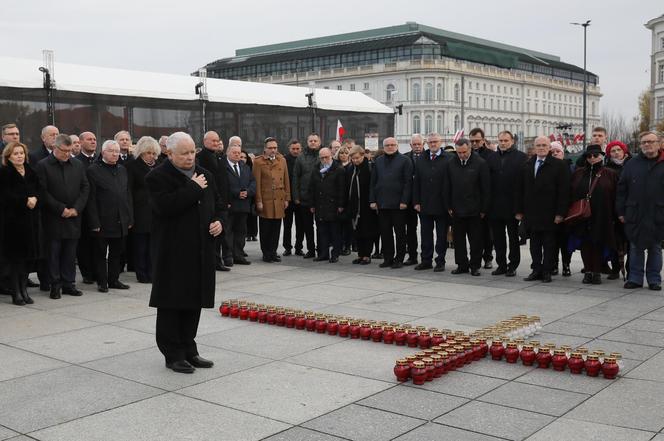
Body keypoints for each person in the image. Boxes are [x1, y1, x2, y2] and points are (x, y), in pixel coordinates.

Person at [145, 132, 223, 374]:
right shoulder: (156, 177)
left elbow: (219, 204)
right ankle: (173, 353)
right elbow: (165, 207)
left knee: (194, 302)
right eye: (184, 153)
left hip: (200, 250)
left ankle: (190, 348)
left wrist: (219, 221)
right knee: (172, 303)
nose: (190, 157)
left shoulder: (205, 175)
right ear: (170, 154)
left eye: (192, 152)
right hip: (173, 252)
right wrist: (192, 188)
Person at [35, 134, 89, 299]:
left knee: (70, 253)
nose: (67, 154)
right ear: (55, 148)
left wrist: (76, 209)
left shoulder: (77, 165)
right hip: (53, 217)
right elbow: (42, 192)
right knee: (53, 253)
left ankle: (68, 284)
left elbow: (85, 187)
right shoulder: (43, 165)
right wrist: (61, 209)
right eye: (64, 151)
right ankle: (55, 285)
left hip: (73, 217)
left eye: (69, 150)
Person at [516, 136, 570, 283]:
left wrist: (560, 213)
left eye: (544, 145)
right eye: (538, 145)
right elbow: (521, 189)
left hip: (550, 212)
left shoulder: (559, 165)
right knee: (534, 244)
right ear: (534, 147)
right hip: (531, 213)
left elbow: (564, 192)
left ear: (549, 148)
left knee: (549, 244)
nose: (541, 148)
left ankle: (547, 271)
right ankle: (536, 269)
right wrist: (520, 210)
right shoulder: (527, 165)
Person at [616, 131, 664, 291]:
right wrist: (621, 211)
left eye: (651, 141)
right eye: (644, 142)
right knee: (635, 246)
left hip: (658, 213)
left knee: (655, 247)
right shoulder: (632, 164)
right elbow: (622, 189)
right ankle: (635, 278)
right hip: (635, 212)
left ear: (659, 143)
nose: (647, 145)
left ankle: (654, 279)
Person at [568, 144, 619, 285]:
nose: (592, 158)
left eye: (595, 155)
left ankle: (597, 272)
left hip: (602, 214)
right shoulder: (578, 173)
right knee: (584, 243)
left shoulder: (610, 173)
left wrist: (616, 215)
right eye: (589, 156)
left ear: (601, 156)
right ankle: (588, 271)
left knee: (598, 242)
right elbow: (571, 193)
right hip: (582, 215)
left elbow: (616, 195)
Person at [86, 140, 133, 293]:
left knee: (116, 253)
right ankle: (102, 281)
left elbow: (127, 195)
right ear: (103, 152)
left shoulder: (122, 170)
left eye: (117, 151)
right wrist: (94, 221)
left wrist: (129, 217)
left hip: (121, 219)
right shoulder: (93, 170)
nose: (115, 154)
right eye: (111, 151)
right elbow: (91, 198)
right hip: (102, 219)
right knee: (100, 253)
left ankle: (113, 279)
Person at [0, 142, 41, 305]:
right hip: (12, 224)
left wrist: (35, 198)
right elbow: (5, 196)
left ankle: (24, 289)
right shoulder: (4, 173)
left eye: (21, 153)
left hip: (30, 222)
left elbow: (39, 189)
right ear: (8, 157)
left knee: (27, 259)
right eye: (15, 154)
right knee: (15, 260)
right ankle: (16, 292)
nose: (19, 156)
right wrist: (25, 201)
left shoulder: (31, 171)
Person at [446, 138, 490, 276]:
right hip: (457, 209)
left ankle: (475, 266)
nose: (461, 155)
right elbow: (446, 186)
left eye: (464, 152)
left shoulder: (480, 163)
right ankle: (462, 265)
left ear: (470, 149)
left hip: (475, 210)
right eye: (458, 152)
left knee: (476, 240)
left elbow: (486, 188)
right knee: (458, 240)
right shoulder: (451, 163)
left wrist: (483, 209)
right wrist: (448, 206)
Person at [488, 131, 527, 277]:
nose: (503, 143)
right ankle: (501, 264)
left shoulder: (521, 158)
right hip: (495, 207)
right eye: (500, 140)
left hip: (513, 207)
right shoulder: (492, 158)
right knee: (498, 238)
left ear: (512, 141)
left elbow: (523, 185)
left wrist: (520, 209)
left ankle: (513, 265)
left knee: (513, 238)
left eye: (506, 140)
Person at [369, 137, 412, 269]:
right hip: (382, 203)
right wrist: (372, 200)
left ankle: (399, 259)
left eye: (393, 145)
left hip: (399, 204)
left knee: (399, 233)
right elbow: (373, 182)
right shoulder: (379, 161)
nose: (390, 147)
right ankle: (388, 258)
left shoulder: (405, 160)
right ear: (384, 147)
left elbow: (408, 182)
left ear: (397, 146)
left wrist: (404, 201)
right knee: (385, 232)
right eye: (387, 145)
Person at [412, 133, 449, 272]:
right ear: (427, 143)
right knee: (425, 234)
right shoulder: (422, 158)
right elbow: (417, 181)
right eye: (431, 142)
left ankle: (440, 261)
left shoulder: (448, 158)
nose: (433, 144)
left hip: (442, 204)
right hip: (425, 204)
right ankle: (426, 260)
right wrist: (416, 201)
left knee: (441, 236)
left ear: (441, 142)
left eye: (435, 142)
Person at [196, 131, 231, 271]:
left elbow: (225, 181)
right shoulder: (199, 158)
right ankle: (210, 261)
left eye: (218, 141)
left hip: (221, 200)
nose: (216, 143)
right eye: (213, 141)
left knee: (220, 232)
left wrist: (226, 200)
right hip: (207, 200)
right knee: (210, 232)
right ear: (205, 141)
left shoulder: (220, 158)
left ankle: (217, 261)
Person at [126, 136, 159, 283]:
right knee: (141, 246)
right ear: (141, 152)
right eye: (148, 153)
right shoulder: (132, 166)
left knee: (153, 245)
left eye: (153, 153)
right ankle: (141, 273)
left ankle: (152, 272)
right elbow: (128, 191)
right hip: (140, 212)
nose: (151, 156)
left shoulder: (159, 165)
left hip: (156, 211)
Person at [253, 137, 290, 262]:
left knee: (276, 228)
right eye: (270, 148)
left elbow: (286, 180)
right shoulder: (258, 162)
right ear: (265, 149)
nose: (273, 150)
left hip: (279, 198)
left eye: (275, 148)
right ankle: (266, 253)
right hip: (266, 199)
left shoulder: (282, 160)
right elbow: (256, 183)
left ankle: (273, 252)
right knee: (265, 228)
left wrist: (287, 198)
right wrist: (258, 201)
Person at [469, 128, 497, 269]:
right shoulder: (467, 154)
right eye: (472, 141)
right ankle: (475, 258)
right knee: (474, 233)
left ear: (483, 140)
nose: (474, 143)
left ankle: (488, 257)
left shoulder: (491, 155)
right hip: (471, 200)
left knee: (487, 232)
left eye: (477, 141)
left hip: (486, 199)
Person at [311, 148, 345, 263]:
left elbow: (342, 189)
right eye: (322, 158)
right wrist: (312, 204)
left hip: (333, 205)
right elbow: (312, 188)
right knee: (322, 231)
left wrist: (341, 204)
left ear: (331, 156)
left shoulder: (338, 169)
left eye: (327, 157)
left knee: (335, 231)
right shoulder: (316, 169)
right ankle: (323, 253)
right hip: (320, 205)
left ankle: (335, 254)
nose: (324, 160)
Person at [224, 138, 255, 265]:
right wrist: (237, 193)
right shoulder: (223, 167)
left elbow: (253, 182)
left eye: (238, 153)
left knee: (241, 231)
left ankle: (239, 255)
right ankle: (228, 256)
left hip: (243, 205)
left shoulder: (246, 167)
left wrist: (248, 192)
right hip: (230, 205)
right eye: (234, 153)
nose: (237, 155)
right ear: (228, 153)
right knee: (228, 231)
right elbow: (223, 186)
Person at [347, 146, 379, 265]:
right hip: (354, 204)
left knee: (367, 230)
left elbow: (374, 185)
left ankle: (367, 255)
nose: (355, 160)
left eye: (357, 158)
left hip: (367, 205)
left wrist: (373, 201)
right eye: (353, 158)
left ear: (362, 156)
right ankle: (360, 254)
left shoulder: (370, 168)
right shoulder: (351, 169)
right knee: (357, 230)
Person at [604, 140, 630, 279]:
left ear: (624, 151)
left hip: (630, 208)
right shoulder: (606, 168)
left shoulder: (631, 165)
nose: (616, 153)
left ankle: (629, 269)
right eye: (613, 151)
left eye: (618, 150)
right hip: (612, 209)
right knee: (614, 240)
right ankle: (615, 268)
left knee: (630, 241)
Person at [75, 131, 99, 284]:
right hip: (82, 208)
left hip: (98, 208)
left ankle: (97, 271)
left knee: (98, 243)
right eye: (89, 139)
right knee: (84, 244)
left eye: (95, 139)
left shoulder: (100, 160)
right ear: (81, 142)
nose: (93, 141)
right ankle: (87, 273)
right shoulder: (76, 162)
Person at [292, 133, 321, 258]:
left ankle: (321, 249)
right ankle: (311, 250)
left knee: (321, 226)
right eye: (311, 141)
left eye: (315, 140)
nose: (313, 143)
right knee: (307, 226)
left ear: (319, 142)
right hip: (305, 198)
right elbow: (295, 178)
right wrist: (296, 196)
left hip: (321, 198)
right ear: (307, 142)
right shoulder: (301, 157)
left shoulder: (324, 155)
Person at [550, 142, 573, 277]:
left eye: (557, 152)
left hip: (567, 209)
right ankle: (554, 265)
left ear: (562, 153)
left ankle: (566, 264)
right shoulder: (547, 166)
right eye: (552, 152)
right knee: (552, 240)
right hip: (550, 210)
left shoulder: (569, 166)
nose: (555, 154)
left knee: (565, 240)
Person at [403, 134, 424, 266]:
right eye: (414, 144)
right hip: (409, 200)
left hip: (425, 199)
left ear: (423, 144)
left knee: (426, 230)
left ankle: (427, 257)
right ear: (410, 145)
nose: (417, 147)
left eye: (419, 144)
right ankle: (412, 256)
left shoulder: (429, 157)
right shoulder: (404, 158)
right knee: (410, 229)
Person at [283, 139, 303, 256]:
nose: (295, 151)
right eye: (293, 149)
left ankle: (298, 247)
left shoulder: (303, 160)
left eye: (297, 149)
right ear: (289, 149)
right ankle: (287, 247)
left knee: (300, 225)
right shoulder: (284, 160)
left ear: (301, 149)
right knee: (287, 225)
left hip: (300, 198)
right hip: (288, 198)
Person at [334, 145, 353, 256]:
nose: (344, 155)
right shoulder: (335, 166)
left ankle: (347, 246)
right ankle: (339, 245)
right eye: (341, 153)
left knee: (347, 225)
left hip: (348, 199)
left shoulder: (351, 166)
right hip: (337, 198)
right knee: (338, 225)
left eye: (346, 153)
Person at [241, 150, 258, 242]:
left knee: (253, 216)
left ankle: (254, 233)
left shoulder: (250, 167)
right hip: (243, 196)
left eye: (245, 158)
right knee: (246, 218)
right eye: (241, 157)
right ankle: (248, 234)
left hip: (251, 195)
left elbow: (253, 181)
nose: (243, 159)